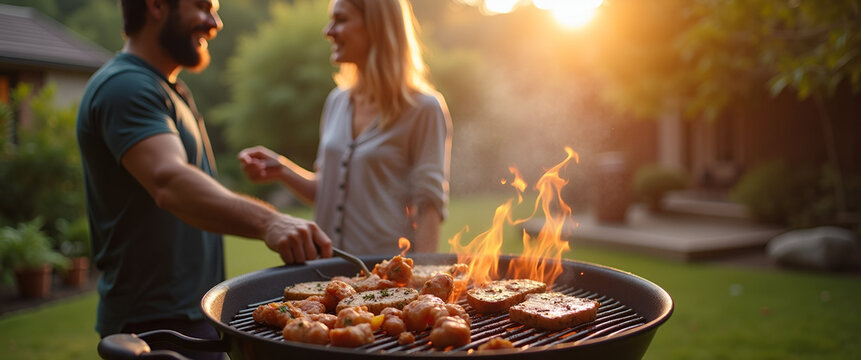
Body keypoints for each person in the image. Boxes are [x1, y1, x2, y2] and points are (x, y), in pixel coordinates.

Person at [76, 0, 332, 358]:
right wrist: (269, 221)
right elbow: (169, 181)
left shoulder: (167, 89)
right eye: (202, 6)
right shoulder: (126, 87)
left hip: (185, 314)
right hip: (156, 324)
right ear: (155, 6)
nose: (215, 22)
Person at [238, 0, 452, 256]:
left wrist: (420, 279)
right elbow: (326, 189)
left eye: (340, 20)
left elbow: (429, 206)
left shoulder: (424, 108)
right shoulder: (337, 102)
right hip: (324, 269)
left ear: (376, 26)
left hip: (386, 276)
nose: (328, 31)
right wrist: (282, 168)